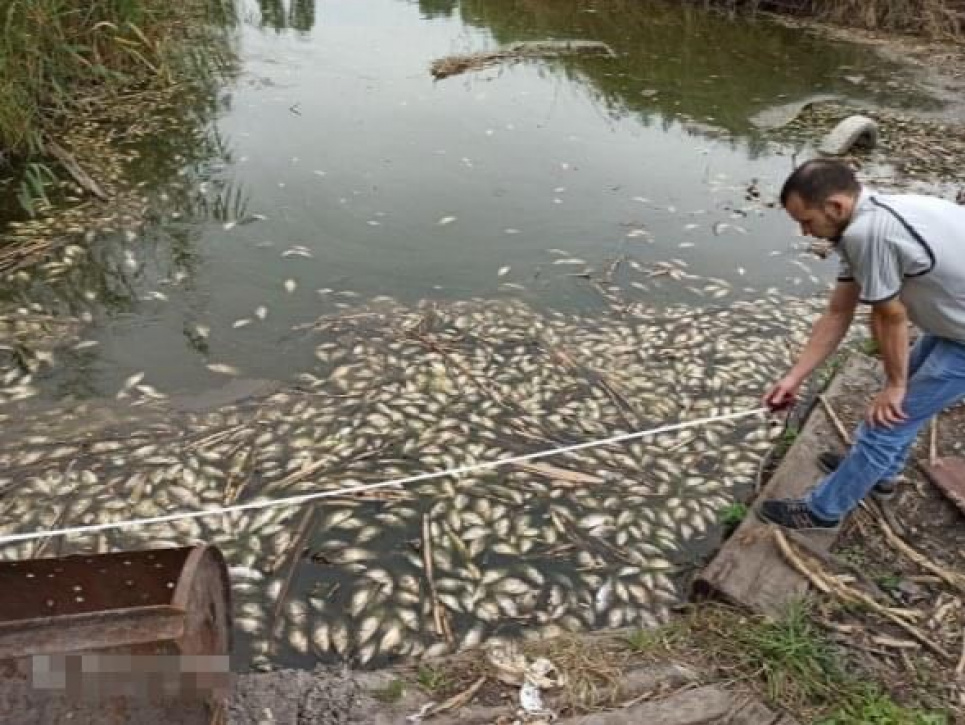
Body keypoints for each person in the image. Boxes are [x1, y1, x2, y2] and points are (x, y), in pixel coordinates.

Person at [758, 158, 965, 531]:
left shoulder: (869, 234)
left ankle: (823, 511)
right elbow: (838, 313)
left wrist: (895, 385)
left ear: (835, 206)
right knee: (900, 409)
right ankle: (880, 475)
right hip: (953, 325)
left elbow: (890, 316)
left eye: (807, 221)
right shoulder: (867, 220)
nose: (806, 233)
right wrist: (794, 378)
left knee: (886, 423)